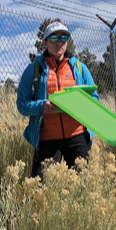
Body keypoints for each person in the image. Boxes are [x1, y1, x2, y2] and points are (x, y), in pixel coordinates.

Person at [16, 21, 98, 178]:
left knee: (84, 187)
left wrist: (82, 104)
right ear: (45, 42)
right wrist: (42, 106)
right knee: (40, 189)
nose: (59, 42)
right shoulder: (34, 70)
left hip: (78, 136)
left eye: (63, 37)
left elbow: (93, 97)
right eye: (53, 38)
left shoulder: (79, 68)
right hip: (48, 139)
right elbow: (21, 105)